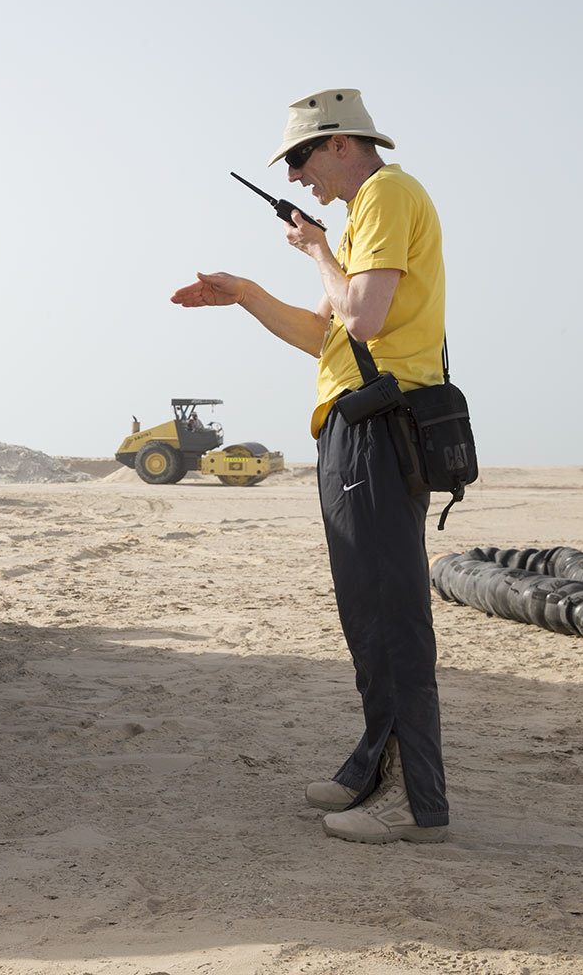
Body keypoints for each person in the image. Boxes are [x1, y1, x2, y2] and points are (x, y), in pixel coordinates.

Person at [171, 89, 448, 844]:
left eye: (299, 158)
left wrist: (318, 251)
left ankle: (420, 803)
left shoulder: (386, 194)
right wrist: (245, 294)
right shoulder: (363, 217)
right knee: (367, 612)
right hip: (353, 429)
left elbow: (363, 317)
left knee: (391, 614)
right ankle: (374, 769)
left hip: (379, 427)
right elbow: (324, 335)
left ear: (339, 144)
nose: (295, 177)